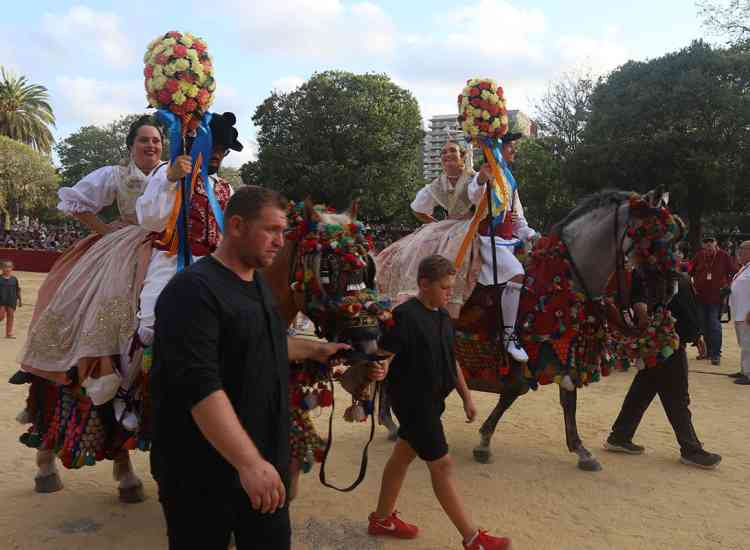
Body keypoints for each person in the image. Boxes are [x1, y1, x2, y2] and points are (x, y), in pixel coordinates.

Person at [150, 186, 360, 550]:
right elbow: (201, 387)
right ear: (236, 226)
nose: (280, 241)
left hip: (264, 465)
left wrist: (319, 350)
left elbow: (265, 343)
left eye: (284, 232)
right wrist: (248, 463)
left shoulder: (257, 285)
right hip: (203, 473)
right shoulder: (192, 291)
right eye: (272, 230)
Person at [368, 254, 510, 550]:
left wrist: (467, 397)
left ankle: (381, 519)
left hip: (433, 403)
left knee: (402, 456)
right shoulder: (405, 315)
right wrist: (378, 370)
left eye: (451, 286)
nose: (450, 292)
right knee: (442, 465)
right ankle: (473, 539)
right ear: (424, 284)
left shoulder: (444, 316)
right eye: (444, 287)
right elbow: (386, 354)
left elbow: (451, 360)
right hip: (413, 404)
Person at [604, 270, 722, 469]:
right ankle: (691, 449)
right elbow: (639, 301)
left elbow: (686, 307)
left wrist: (696, 335)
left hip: (671, 340)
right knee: (677, 396)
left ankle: (620, 436)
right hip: (664, 342)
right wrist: (647, 323)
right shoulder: (648, 272)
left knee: (642, 391)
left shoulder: (672, 271)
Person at [376, 139, 479, 317]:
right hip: (447, 226)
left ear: (463, 156)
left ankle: (446, 300)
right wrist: (434, 223)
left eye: (452, 151)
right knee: (406, 251)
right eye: (444, 152)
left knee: (452, 252)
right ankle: (412, 296)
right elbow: (417, 208)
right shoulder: (438, 184)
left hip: (470, 225)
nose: (447, 155)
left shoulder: (474, 179)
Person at [467, 133, 537, 362]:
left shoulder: (511, 181)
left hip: (510, 243)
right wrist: (480, 180)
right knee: (518, 274)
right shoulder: (486, 173)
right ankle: (508, 336)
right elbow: (474, 196)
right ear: (499, 149)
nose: (514, 151)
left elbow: (518, 220)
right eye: (511, 147)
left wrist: (532, 235)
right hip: (488, 242)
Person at [690, 236, 735, 365]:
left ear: (716, 245)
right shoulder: (699, 256)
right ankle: (709, 351)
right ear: (703, 247)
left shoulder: (724, 256)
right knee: (703, 325)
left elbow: (733, 272)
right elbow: (689, 271)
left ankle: (716, 354)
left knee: (714, 324)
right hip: (700, 297)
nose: (708, 249)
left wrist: (728, 285)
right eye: (706, 246)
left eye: (711, 245)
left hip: (716, 297)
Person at [729, 240, 750, 385]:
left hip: (747, 313)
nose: (739, 253)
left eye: (742, 250)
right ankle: (744, 370)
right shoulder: (745, 268)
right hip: (739, 312)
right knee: (743, 343)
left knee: (748, 344)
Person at [0, 260, 21, 338]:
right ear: (1, 268)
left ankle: (8, 333)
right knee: (1, 316)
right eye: (5, 267)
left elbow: (17, 289)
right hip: (1, 301)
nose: (7, 269)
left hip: (11, 300)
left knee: (10, 316)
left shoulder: (14, 279)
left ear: (12, 268)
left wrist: (19, 300)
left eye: (9, 267)